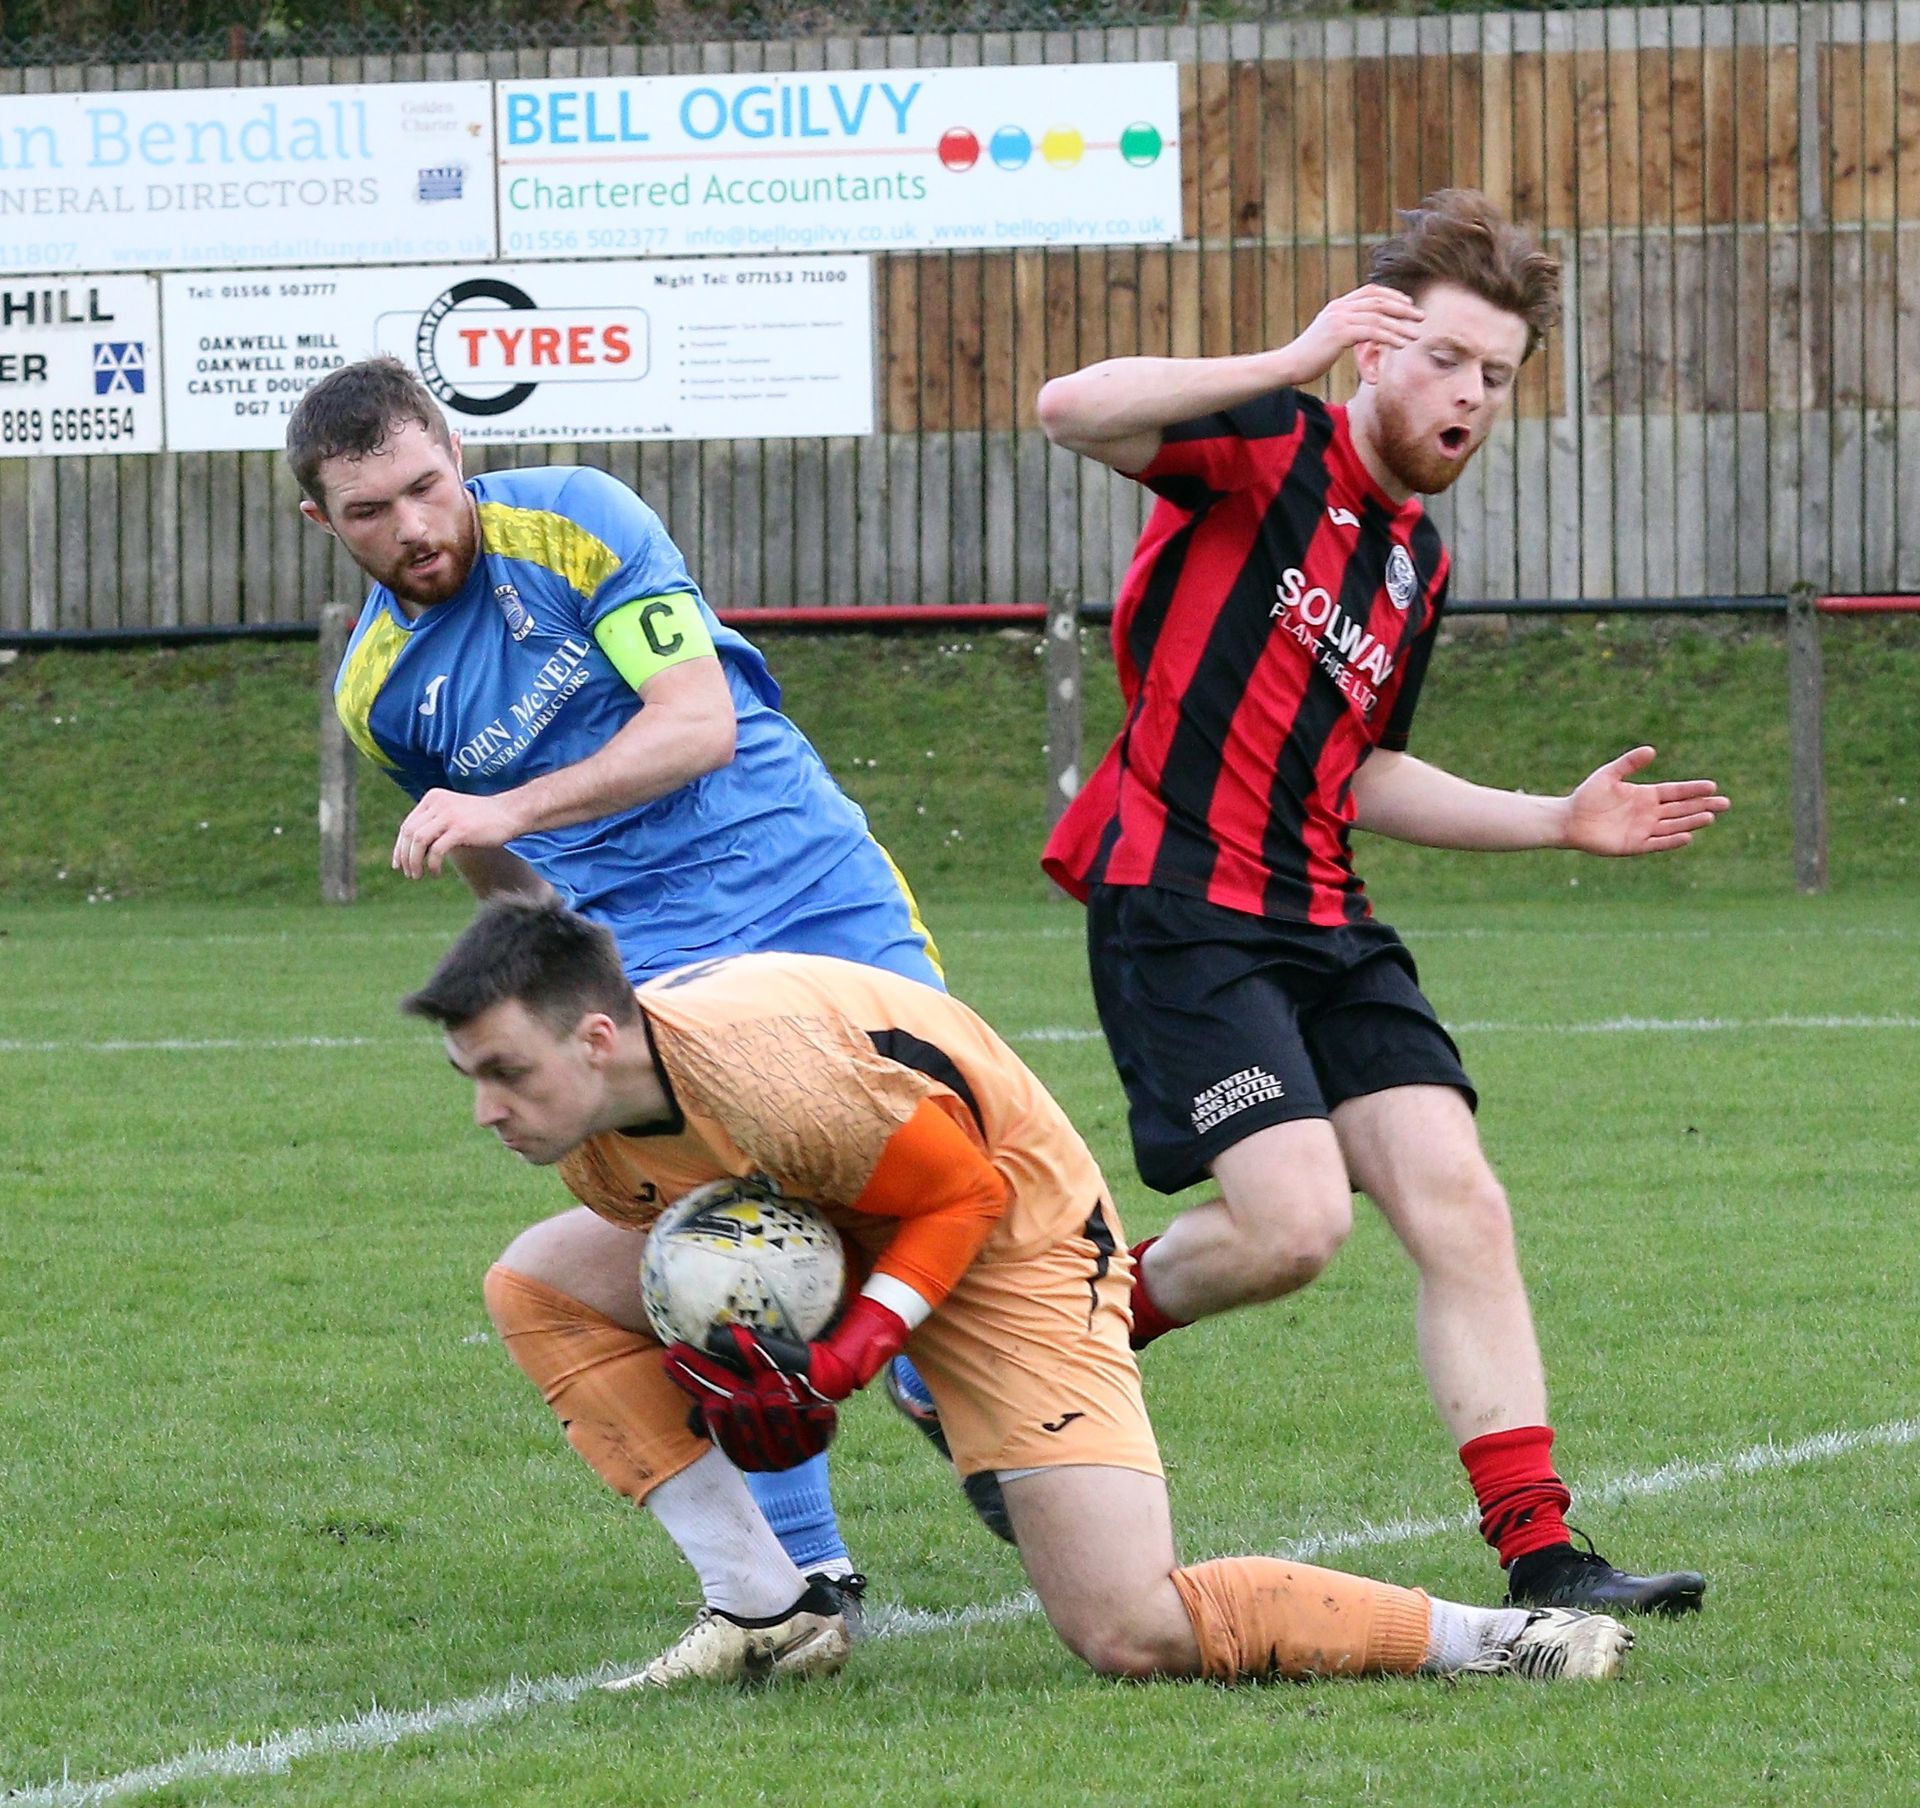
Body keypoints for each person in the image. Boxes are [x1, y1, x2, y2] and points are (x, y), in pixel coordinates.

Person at [1033, 189, 1727, 1616]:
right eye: (1446, 359)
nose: (1469, 395)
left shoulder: (1418, 561)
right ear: (1374, 351)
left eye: (1496, 376)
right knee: (1293, 1227)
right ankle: (1036, 1334)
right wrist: (1289, 357)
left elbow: (1364, 768)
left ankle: (1546, 1557)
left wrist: (1556, 819)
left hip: (1328, 917)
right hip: (1183, 900)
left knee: (1462, 1201)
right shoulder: (1267, 440)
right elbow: (1069, 407)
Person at [402, 895, 1635, 1690]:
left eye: (505, 1070)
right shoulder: (588, 1128)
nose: (486, 1108)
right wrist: (726, 1356)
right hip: (845, 1205)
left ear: (599, 1038)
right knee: (538, 1284)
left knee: (1129, 1628)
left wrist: (843, 1356)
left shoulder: (772, 1080)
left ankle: (1502, 1637)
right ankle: (765, 1606)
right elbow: (748, 1240)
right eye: (471, 1076)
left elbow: (964, 1194)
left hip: (1013, 1228)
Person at [289, 356, 951, 1599]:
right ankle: (805, 1579)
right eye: (370, 509)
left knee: (939, 1151)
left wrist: (508, 801)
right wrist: (558, 997)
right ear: (323, 520)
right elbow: (497, 868)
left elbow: (697, 723)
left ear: (456, 455)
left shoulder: (578, 520)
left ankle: (944, 1376)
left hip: (806, 880)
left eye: (426, 486)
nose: (412, 526)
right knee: (721, 1241)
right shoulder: (378, 693)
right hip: (649, 961)